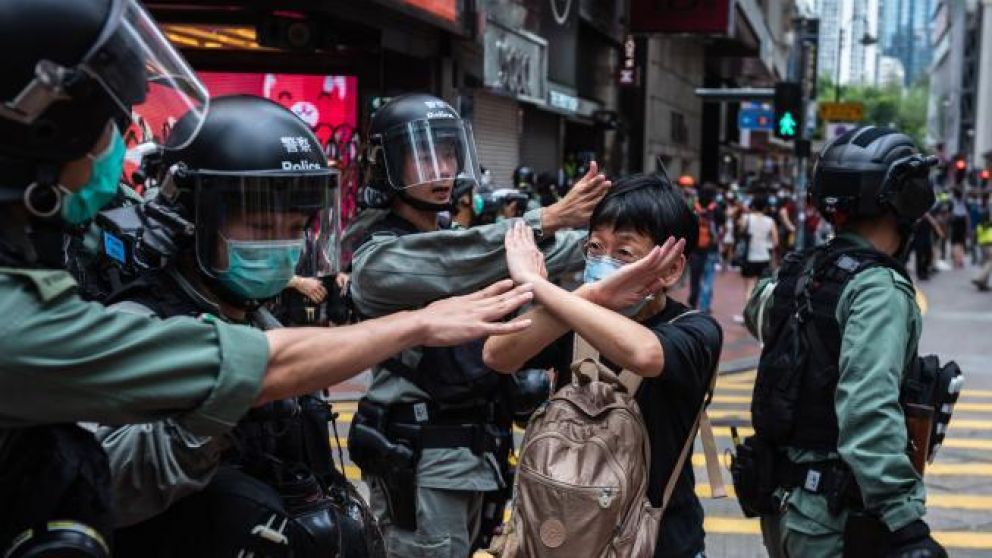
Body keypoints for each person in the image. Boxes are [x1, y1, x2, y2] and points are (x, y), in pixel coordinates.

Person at [0, 3, 533, 555]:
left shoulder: (258, 313)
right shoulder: (108, 320)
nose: (282, 243)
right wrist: (414, 325)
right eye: (258, 224)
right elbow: (117, 477)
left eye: (297, 226)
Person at [345, 93, 609, 557]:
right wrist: (547, 218)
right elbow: (456, 260)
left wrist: (614, 244)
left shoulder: (457, 241)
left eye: (447, 152)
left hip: (479, 453)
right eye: (422, 155)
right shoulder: (379, 256)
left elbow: (514, 257)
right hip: (422, 458)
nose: (440, 167)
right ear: (387, 164)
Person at [483, 174, 724, 558]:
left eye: (624, 253)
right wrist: (590, 295)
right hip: (563, 539)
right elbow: (498, 354)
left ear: (672, 269)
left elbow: (645, 354)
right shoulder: (574, 315)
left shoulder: (697, 330)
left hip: (658, 543)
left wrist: (536, 284)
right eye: (595, 248)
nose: (603, 263)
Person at [743, 127, 945, 557]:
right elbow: (867, 409)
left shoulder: (798, 270)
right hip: (831, 519)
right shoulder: (878, 290)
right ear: (904, 200)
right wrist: (905, 523)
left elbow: (757, 315)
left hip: (781, 507)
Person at [688, 182, 723, 313]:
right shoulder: (716, 209)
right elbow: (722, 225)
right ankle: (704, 307)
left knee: (695, 277)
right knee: (708, 278)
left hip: (695, 248)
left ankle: (693, 301)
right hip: (711, 249)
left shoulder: (694, 207)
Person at [738, 193, 778, 298]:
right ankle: (757, 312)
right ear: (765, 207)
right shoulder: (770, 221)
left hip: (749, 257)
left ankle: (747, 312)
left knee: (749, 287)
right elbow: (776, 242)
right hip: (764, 257)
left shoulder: (746, 218)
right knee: (762, 288)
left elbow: (740, 231)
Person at [949, 188, 969, 268]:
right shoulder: (965, 203)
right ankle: (960, 260)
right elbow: (967, 216)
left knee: (955, 244)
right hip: (962, 224)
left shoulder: (952, 203)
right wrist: (968, 228)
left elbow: (950, 215)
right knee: (961, 243)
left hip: (955, 224)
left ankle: (956, 260)